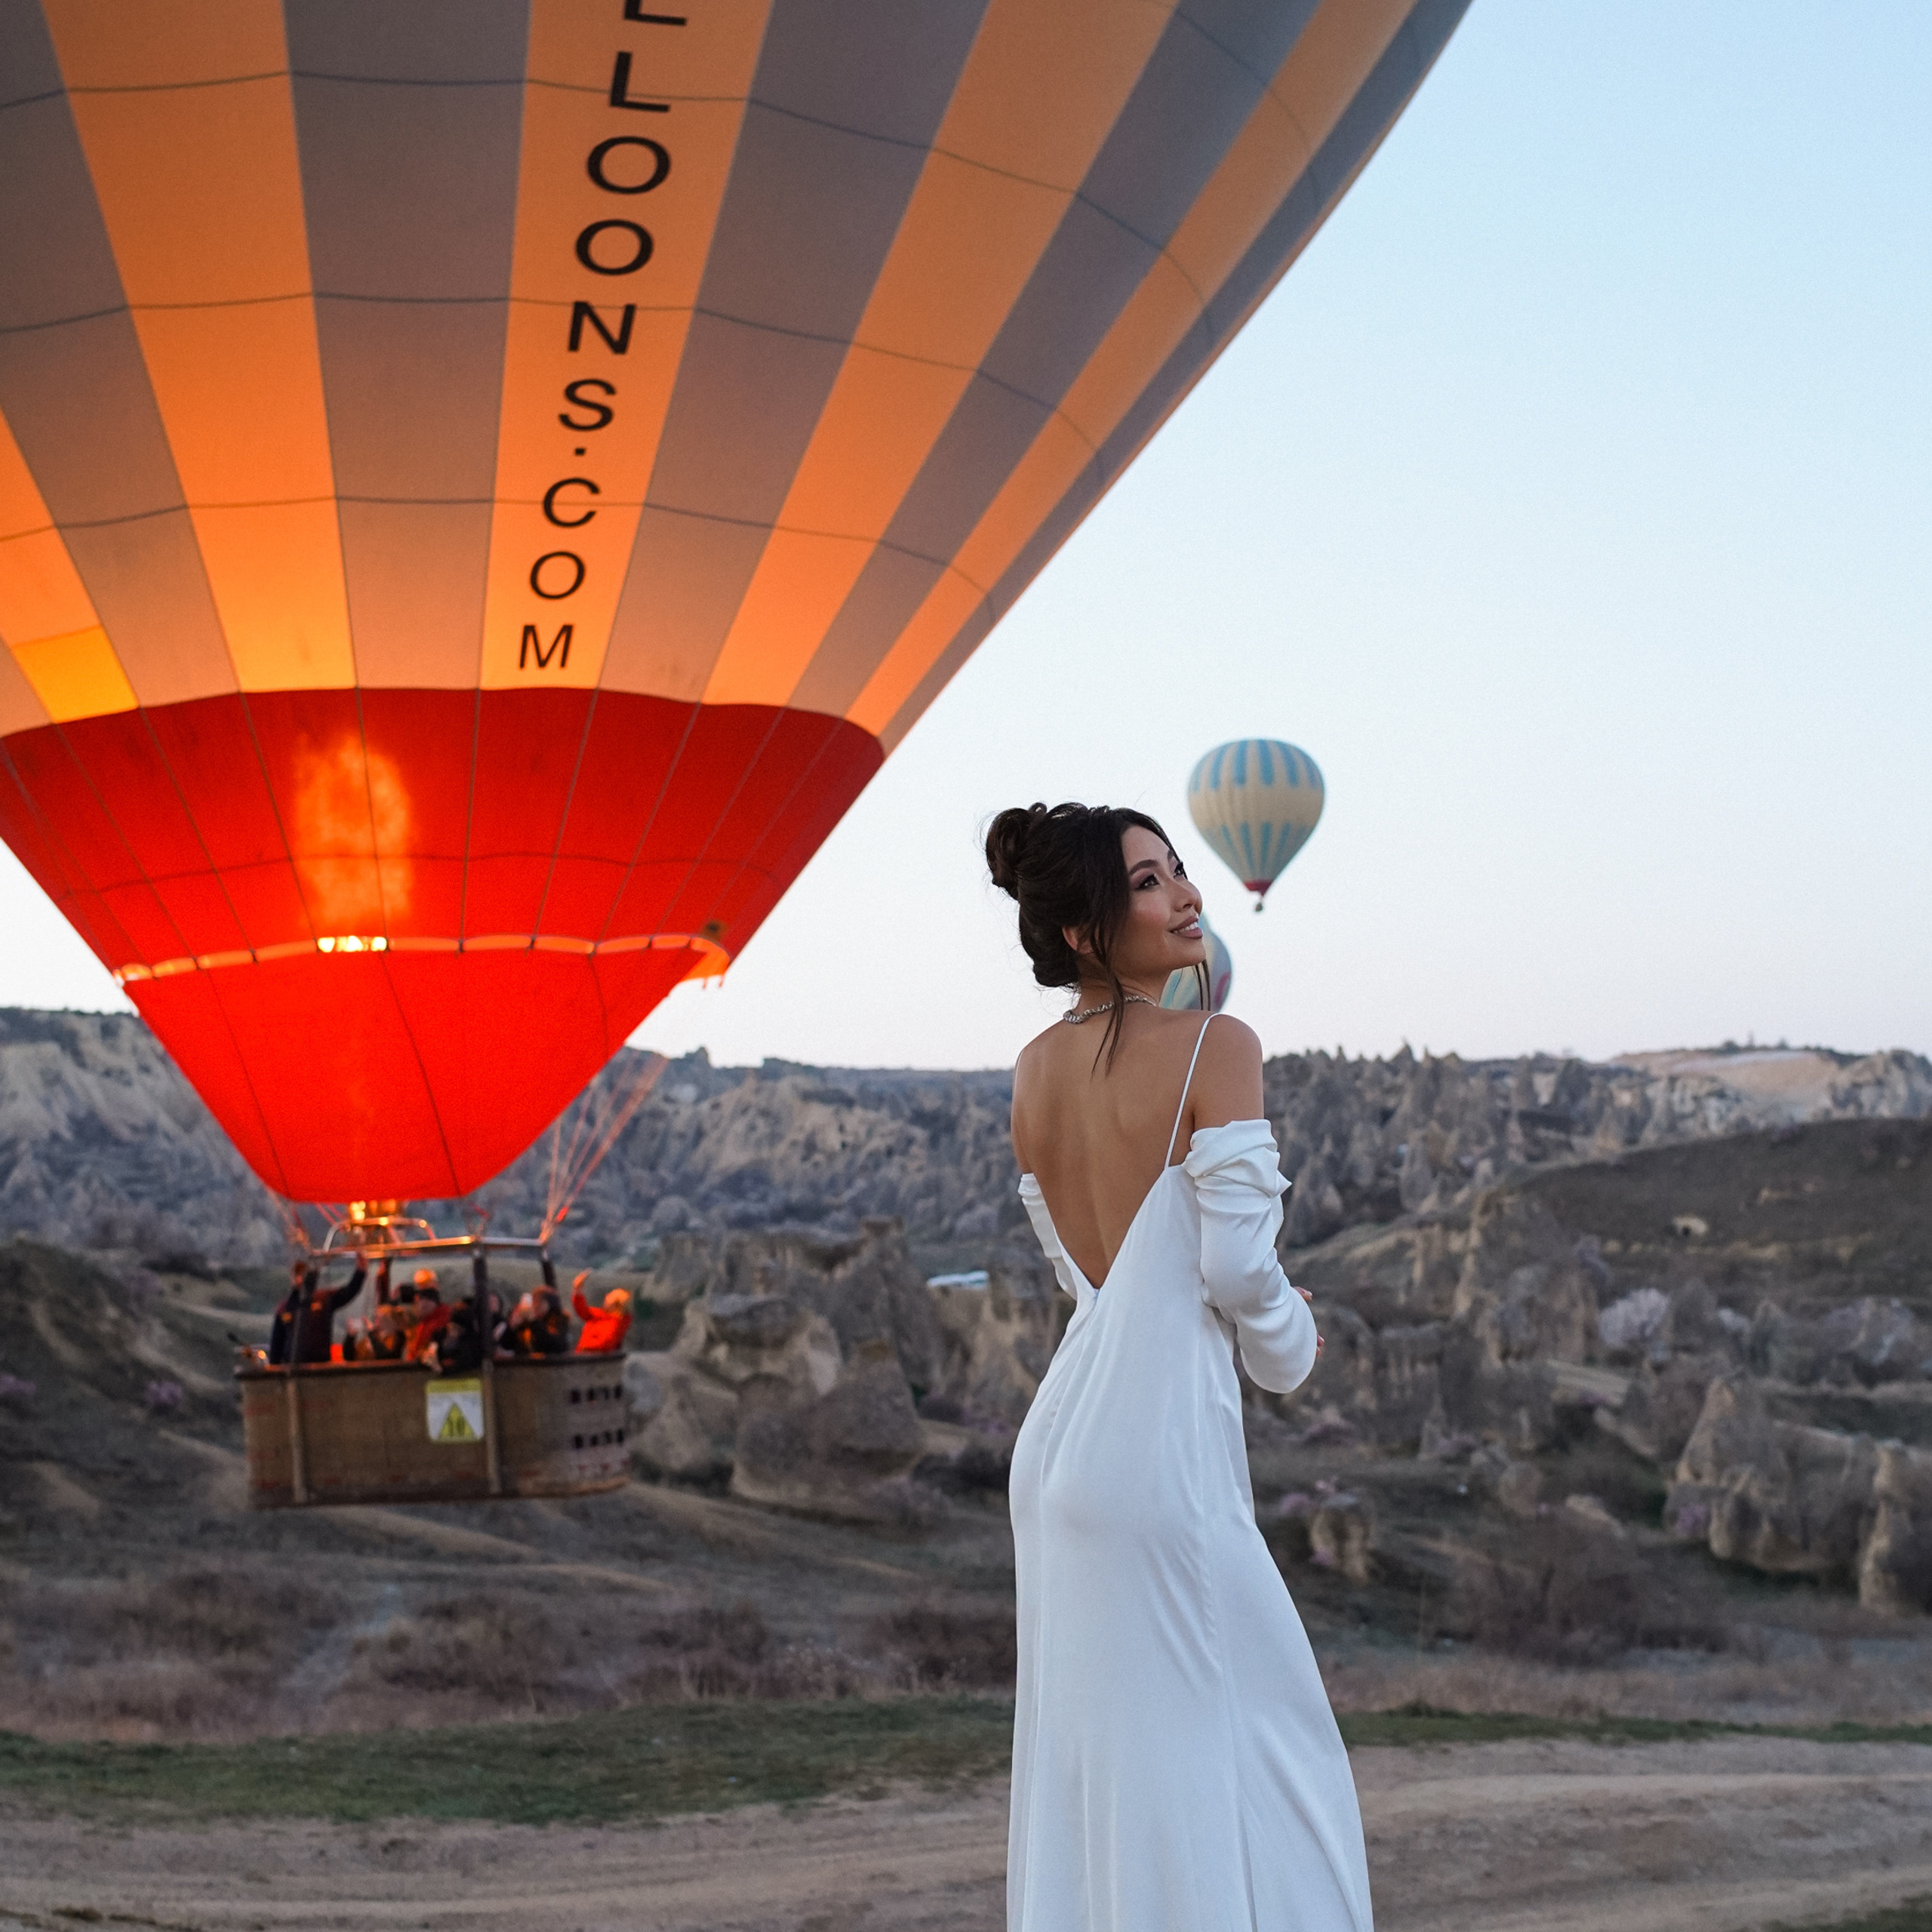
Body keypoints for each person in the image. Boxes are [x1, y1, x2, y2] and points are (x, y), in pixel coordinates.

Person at [989, 801, 1369, 1932]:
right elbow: (1244, 1274)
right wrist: (1296, 1344)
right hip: (1159, 1463)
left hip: (1063, 1449)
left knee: (1102, 1767)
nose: (1189, 896)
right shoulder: (1219, 1044)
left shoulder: (1030, 1072)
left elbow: (1083, 1272)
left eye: (1178, 872)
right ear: (1086, 934)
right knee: (1271, 1752)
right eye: (1151, 883)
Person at [267, 1259, 366, 1367]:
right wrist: (274, 1370)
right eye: (297, 1275)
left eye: (303, 1274)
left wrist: (360, 1273)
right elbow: (277, 1343)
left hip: (321, 1366)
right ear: (292, 1278)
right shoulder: (284, 1308)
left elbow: (348, 1292)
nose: (300, 1279)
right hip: (293, 1367)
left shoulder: (323, 1299)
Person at [571, 1274, 631, 1353]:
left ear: (616, 1304)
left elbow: (605, 1344)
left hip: (592, 1358)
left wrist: (585, 1347)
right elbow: (582, 1310)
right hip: (584, 1356)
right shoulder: (600, 1315)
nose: (607, 1296)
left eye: (610, 1296)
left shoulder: (617, 1323)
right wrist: (577, 1289)